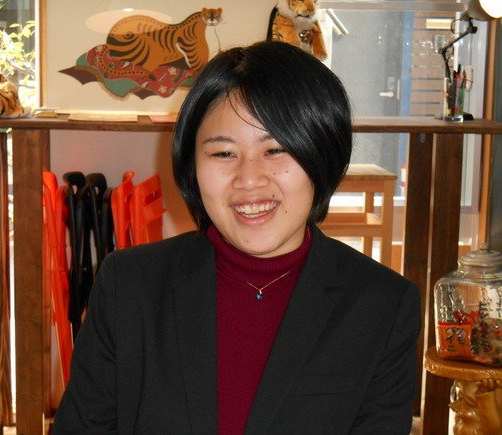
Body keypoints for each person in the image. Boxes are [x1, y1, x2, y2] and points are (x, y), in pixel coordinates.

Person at [52, 40, 421, 434]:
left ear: (322, 155)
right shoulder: (128, 286)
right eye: (224, 154)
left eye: (276, 149)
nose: (249, 179)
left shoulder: (382, 305)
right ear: (192, 165)